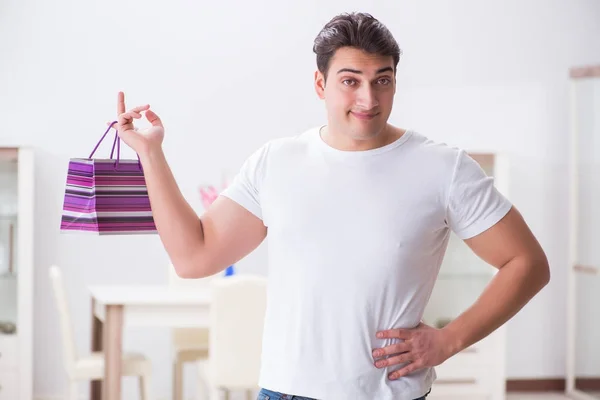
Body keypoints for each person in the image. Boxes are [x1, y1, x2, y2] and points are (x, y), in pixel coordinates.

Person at [113, 12, 550, 400]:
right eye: (350, 81)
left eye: (383, 79)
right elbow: (194, 256)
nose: (368, 99)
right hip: (284, 392)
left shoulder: (443, 168)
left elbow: (527, 262)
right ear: (320, 83)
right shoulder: (277, 162)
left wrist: (450, 340)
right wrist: (151, 154)